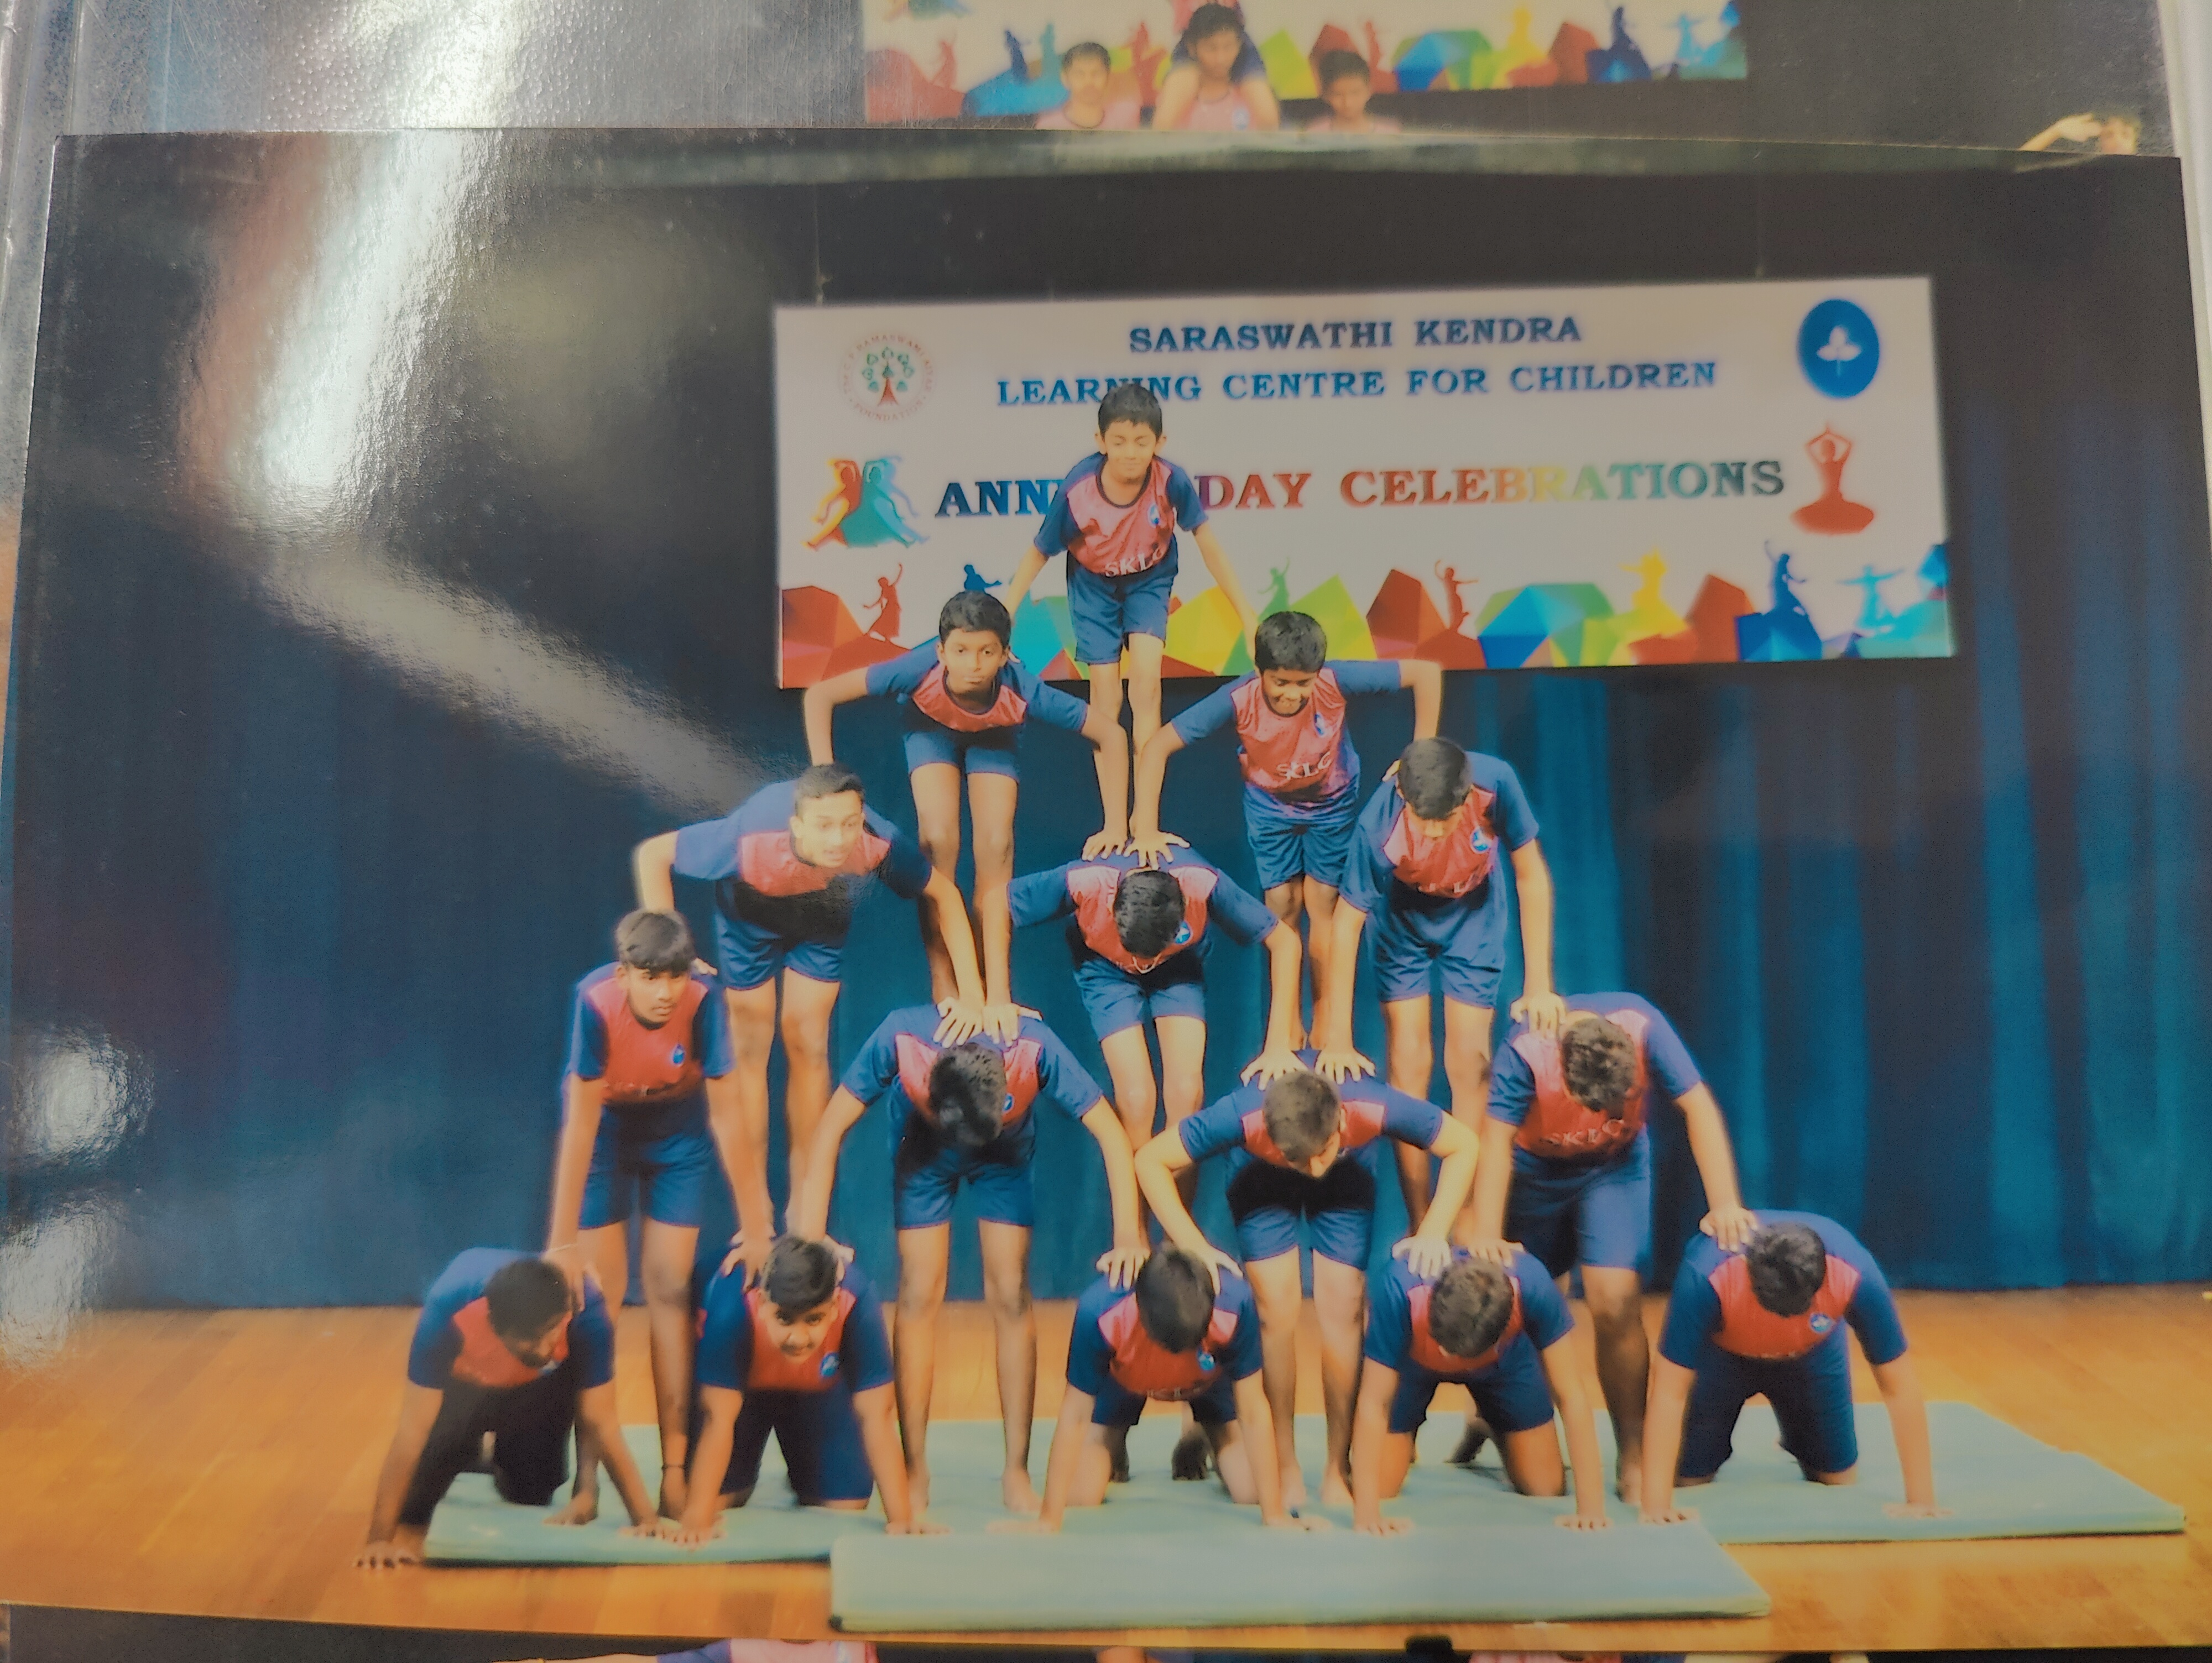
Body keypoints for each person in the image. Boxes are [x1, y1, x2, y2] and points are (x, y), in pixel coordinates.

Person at [790, 1005, 1149, 1514]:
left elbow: (1111, 1133)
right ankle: (915, 1470)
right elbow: (829, 1129)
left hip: (1003, 1154)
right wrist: (810, 1235)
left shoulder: (1032, 1048)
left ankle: (1016, 1471)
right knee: (918, 1293)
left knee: (1011, 1294)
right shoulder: (902, 1039)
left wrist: (1129, 1234)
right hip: (925, 1150)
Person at [630, 764, 999, 1220]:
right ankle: (755, 1213)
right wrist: (674, 955)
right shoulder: (749, 837)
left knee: (808, 1043)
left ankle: (806, 1207)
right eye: (824, 826)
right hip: (749, 918)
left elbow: (944, 895)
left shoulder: (875, 842)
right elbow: (653, 856)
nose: (838, 840)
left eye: (849, 824)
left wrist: (974, 996)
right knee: (750, 1046)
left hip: (819, 918)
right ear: (797, 826)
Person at [1134, 1066, 1478, 1509]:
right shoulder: (1243, 1115)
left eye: (1322, 1153)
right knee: (1275, 1308)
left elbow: (1464, 1144)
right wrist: (1193, 1244)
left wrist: (1433, 1230)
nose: (1314, 1170)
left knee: (1344, 1303)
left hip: (1347, 1173)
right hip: (1261, 1173)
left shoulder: (1367, 1104)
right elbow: (1150, 1160)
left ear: (1341, 1121)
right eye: (1301, 1160)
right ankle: (1285, 1464)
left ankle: (1337, 1466)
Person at [1464, 992, 1754, 1500]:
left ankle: (1634, 1454)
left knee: (1616, 1298)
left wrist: (1726, 1202)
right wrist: (1487, 1234)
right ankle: (1494, 1418)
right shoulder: (1526, 1051)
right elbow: (1495, 1142)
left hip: (1613, 1171)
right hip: (1534, 1176)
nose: (1604, 1116)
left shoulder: (1643, 1025)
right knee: (1526, 1308)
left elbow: (1698, 1106)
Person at [805, 591, 1130, 1016]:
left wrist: (1117, 825)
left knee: (996, 846)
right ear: (942, 652)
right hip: (930, 729)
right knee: (938, 841)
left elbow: (1112, 736)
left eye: (986, 652)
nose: (973, 664)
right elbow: (820, 696)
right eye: (961, 651)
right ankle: (946, 987)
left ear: (1005, 655)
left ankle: (996, 993)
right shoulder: (916, 669)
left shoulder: (1022, 688)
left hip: (996, 737)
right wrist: (827, 785)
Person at [1129, 610, 1439, 1043]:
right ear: (1260, 672)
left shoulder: (1334, 680)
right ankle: (1287, 1021)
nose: (1292, 694)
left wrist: (1420, 753)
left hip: (1331, 804)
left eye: (1303, 683)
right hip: (1271, 808)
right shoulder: (1239, 697)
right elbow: (1159, 744)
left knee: (1323, 902)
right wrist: (1145, 827)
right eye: (1281, 682)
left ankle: (1326, 1017)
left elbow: (1426, 674)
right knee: (1281, 904)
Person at [544, 910, 758, 1519]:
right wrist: (562, 1241)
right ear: (624, 974)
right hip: (606, 1137)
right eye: (650, 977)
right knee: (596, 1301)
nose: (665, 992)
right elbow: (580, 1127)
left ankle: (674, 1472)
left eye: (675, 976)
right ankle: (586, 1484)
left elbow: (728, 1116)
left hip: (677, 1137)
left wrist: (758, 1225)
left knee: (668, 1288)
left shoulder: (704, 999)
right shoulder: (594, 1001)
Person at [1317, 736, 1566, 1220]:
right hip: (1402, 922)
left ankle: (1461, 1215)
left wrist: (1539, 983)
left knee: (1470, 1062)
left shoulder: (1495, 785)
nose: (1432, 832)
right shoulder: (1378, 825)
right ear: (1403, 795)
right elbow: (1345, 925)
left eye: (1445, 819)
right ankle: (1421, 1218)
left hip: (1472, 916)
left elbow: (1531, 876)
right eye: (1422, 819)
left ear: (1465, 796)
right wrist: (1338, 1040)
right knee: (1409, 1062)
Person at [1009, 847, 1303, 1225]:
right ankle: (1138, 1239)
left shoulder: (1201, 884)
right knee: (1136, 1099)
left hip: (1177, 968)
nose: (1143, 966)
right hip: (1106, 970)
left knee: (1186, 1094)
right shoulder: (1088, 882)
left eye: (1149, 957)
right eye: (1139, 956)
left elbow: (1285, 942)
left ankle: (1179, 1237)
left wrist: (1277, 1044)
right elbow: (998, 903)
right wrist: (995, 996)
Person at [1001, 381, 1259, 767]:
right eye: (1119, 442)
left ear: (1160, 442)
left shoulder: (1171, 480)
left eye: (1141, 442)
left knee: (1146, 680)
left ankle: (1147, 800)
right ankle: (1113, 805)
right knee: (1106, 696)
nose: (1130, 453)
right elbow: (1039, 553)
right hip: (1093, 585)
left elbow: (1210, 547)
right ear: (1100, 441)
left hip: (1150, 578)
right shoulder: (1078, 491)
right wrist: (1006, 613)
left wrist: (1248, 619)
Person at [1641, 1213, 1946, 1525]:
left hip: (1811, 1356)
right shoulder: (1706, 1275)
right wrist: (1656, 1505)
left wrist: (1921, 1499)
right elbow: (1668, 1391)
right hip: (1723, 1357)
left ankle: (1797, 1433)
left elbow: (1898, 1385)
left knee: (1838, 1478)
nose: (1783, 1319)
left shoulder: (1857, 1274)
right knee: (1689, 1480)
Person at [356, 1251, 654, 1566]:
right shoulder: (448, 1309)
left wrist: (646, 1520)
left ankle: (495, 1456)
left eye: (552, 1332)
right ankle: (465, 1448)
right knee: (413, 1508)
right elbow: (412, 1430)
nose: (544, 1350)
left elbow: (601, 1421)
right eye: (529, 1342)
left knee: (530, 1494)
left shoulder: (585, 1306)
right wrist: (378, 1540)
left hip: (537, 1392)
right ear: (494, 1326)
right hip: (463, 1391)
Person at [994, 1246, 1316, 1530]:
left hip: (1206, 1380)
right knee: (1081, 1494)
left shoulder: (1235, 1304)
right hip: (1125, 1381)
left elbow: (1253, 1410)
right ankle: (1113, 1441)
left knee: (1251, 1491)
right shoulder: (1101, 1311)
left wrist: (1275, 1515)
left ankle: (1205, 1432)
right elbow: (1075, 1415)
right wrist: (1049, 1520)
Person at [661, 1237, 943, 1543]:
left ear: (834, 1307)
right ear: (762, 1303)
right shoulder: (733, 1306)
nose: (799, 1338)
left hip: (816, 1389)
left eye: (814, 1319)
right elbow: (718, 1419)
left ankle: (801, 1451)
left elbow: (878, 1416)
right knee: (717, 1500)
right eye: (785, 1319)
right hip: (742, 1393)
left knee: (847, 1503)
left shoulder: (856, 1298)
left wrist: (902, 1519)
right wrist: (697, 1520)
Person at [1350, 1249, 1610, 1534]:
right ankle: (1406, 1437)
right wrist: (1367, 1516)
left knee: (1545, 1486)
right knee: (1380, 1488)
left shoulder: (1531, 1284)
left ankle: (1486, 1420)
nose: (1447, 1355)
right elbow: (1373, 1403)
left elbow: (1571, 1395)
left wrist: (1591, 1509)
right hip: (1414, 1364)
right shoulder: (1399, 1288)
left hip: (1503, 1364)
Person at [1154, 4, 1281, 131]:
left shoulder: (1250, 99)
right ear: (1192, 48)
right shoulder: (1179, 96)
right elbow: (1160, 138)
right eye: (1211, 48)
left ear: (1240, 45)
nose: (1221, 59)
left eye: (1228, 47)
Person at [1036, 40, 1142, 130]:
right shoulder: (1049, 127)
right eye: (1080, 74)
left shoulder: (1124, 120)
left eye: (1097, 73)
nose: (1089, 82)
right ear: (1065, 79)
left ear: (1108, 78)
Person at [1306, 51, 1399, 133]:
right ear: (1326, 95)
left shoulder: (1389, 135)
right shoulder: (1314, 135)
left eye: (1355, 93)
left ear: (1369, 91)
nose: (1348, 103)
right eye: (1338, 94)